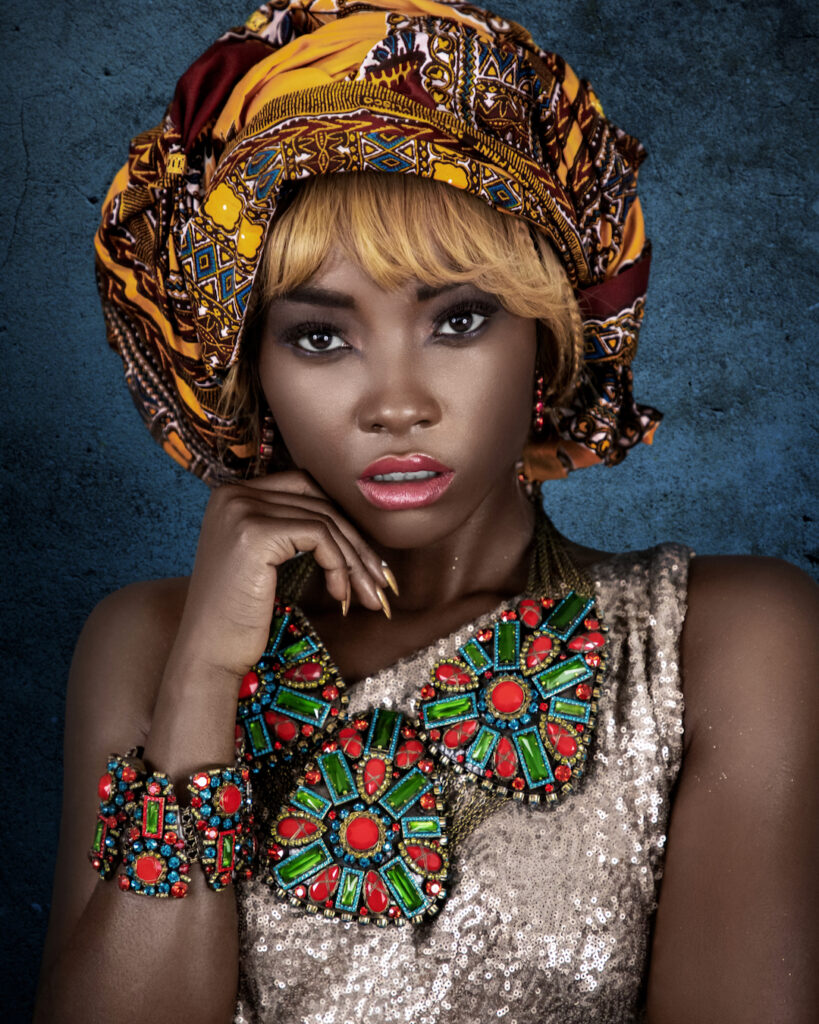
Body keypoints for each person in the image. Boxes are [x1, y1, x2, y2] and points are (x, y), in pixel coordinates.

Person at [34, 2, 816, 1022]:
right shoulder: (146, 642)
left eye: (459, 318)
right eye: (320, 338)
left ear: (546, 336)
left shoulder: (725, 644)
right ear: (250, 374)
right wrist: (203, 683)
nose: (396, 401)